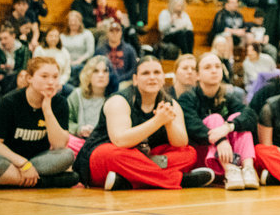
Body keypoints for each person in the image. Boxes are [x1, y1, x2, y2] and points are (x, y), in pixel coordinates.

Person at [73, 55, 214, 190]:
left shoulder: (172, 104)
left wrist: (168, 123)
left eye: (157, 72)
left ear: (163, 78)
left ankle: (128, 182)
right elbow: (121, 141)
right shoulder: (119, 101)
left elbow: (180, 143)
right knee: (110, 154)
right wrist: (157, 121)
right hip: (108, 158)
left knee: (188, 153)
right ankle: (181, 180)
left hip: (140, 158)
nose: (152, 77)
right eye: (146, 73)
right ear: (135, 79)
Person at [0, 56, 78, 188]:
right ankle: (44, 182)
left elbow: (59, 145)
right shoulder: (9, 102)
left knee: (67, 155)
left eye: (55, 77)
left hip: (38, 160)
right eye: (44, 76)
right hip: (9, 160)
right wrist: (23, 164)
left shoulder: (60, 103)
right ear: (30, 78)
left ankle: (3, 181)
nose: (51, 82)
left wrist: (47, 108)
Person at [179, 52, 259, 190]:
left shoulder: (227, 96)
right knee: (215, 118)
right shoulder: (187, 98)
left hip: (228, 153)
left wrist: (228, 127)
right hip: (202, 156)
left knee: (238, 120)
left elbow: (250, 115)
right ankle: (230, 171)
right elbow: (193, 126)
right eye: (208, 67)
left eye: (217, 66)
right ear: (197, 75)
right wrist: (220, 140)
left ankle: (248, 169)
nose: (214, 70)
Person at [68, 56, 111, 138]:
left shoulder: (115, 98)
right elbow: (66, 122)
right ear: (88, 74)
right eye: (96, 71)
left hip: (105, 141)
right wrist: (79, 129)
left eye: (105, 71)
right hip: (80, 140)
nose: (101, 75)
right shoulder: (76, 95)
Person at [0, 22, 31, 95]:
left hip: (16, 78)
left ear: (13, 36)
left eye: (5, 38)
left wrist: (10, 68)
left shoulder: (23, 49)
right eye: (1, 39)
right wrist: (4, 69)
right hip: (3, 78)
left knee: (16, 77)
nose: (3, 42)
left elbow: (24, 68)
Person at [100, 20, 137, 87]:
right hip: (104, 80)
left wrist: (120, 79)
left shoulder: (129, 50)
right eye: (111, 31)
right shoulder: (100, 50)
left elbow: (133, 69)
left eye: (117, 31)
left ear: (121, 33)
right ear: (107, 33)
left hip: (124, 82)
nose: (115, 33)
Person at [62, 9, 96, 81]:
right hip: (66, 64)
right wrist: (68, 61)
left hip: (82, 64)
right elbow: (60, 51)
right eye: (71, 21)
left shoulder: (87, 34)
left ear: (80, 22)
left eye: (75, 21)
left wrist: (79, 61)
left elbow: (90, 52)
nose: (73, 23)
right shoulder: (62, 36)